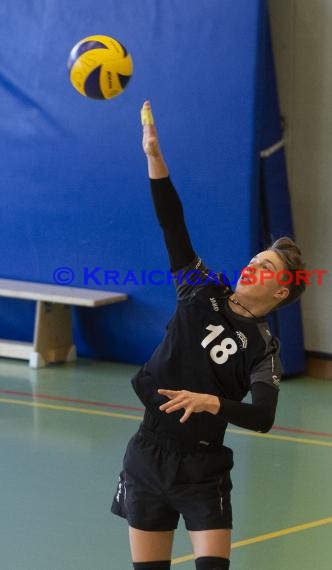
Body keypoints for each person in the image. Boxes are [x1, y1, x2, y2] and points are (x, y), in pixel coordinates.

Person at [111, 101, 306, 570]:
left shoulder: (264, 350)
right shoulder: (201, 290)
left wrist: (211, 402)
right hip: (148, 451)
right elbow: (172, 224)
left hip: (202, 468)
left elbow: (262, 416)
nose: (252, 265)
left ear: (280, 289)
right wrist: (155, 159)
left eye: (265, 267)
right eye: (255, 258)